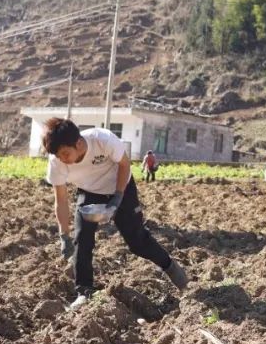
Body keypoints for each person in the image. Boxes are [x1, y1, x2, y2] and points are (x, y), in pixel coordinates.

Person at [44, 118, 188, 309]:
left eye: (65, 153)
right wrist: (63, 235)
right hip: (90, 191)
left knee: (137, 242)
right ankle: (84, 291)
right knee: (82, 240)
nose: (63, 159)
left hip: (122, 187)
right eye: (58, 155)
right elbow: (61, 201)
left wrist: (117, 198)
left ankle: (174, 270)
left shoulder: (102, 139)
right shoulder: (57, 161)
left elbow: (124, 164)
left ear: (78, 143)